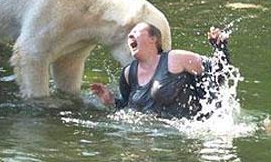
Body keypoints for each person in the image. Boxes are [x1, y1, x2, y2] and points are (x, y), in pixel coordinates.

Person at [90, 22, 230, 119]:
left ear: (153, 39)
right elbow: (126, 108)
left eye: (135, 32)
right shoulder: (128, 73)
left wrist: (220, 47)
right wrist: (110, 100)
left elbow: (220, 73)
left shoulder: (176, 59)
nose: (130, 36)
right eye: (129, 35)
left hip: (185, 135)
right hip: (149, 138)